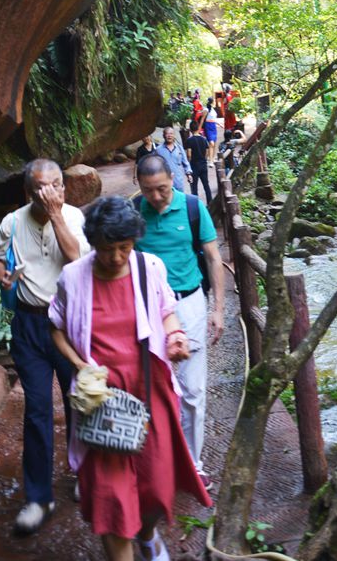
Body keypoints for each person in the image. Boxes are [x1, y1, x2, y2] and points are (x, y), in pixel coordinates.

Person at [49, 196, 212, 561]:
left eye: (125, 247)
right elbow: (56, 328)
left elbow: (167, 311)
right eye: (108, 249)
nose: (117, 257)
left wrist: (175, 336)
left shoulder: (149, 267)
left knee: (156, 488)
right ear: (93, 244)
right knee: (111, 501)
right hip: (102, 402)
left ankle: (149, 534)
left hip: (150, 392)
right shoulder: (73, 277)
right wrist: (80, 364)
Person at [0, 159, 90, 535]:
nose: (46, 194)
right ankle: (38, 497)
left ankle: (84, 474)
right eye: (38, 189)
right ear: (27, 192)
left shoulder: (76, 219)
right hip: (29, 324)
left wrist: (56, 215)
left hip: (69, 323)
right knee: (37, 411)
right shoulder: (12, 222)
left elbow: (76, 258)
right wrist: (4, 277)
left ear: (62, 188)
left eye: (53, 187)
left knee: (79, 401)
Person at [135, 154, 224, 485]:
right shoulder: (132, 211)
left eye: (161, 188)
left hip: (188, 303)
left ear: (172, 178)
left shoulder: (191, 207)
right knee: (149, 388)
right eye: (148, 190)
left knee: (192, 390)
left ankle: (193, 464)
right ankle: (155, 461)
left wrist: (217, 309)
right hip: (146, 310)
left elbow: (214, 258)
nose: (156, 197)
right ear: (138, 186)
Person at [155, 125, 191, 192]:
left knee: (179, 200)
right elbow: (154, 166)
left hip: (178, 181)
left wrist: (188, 174)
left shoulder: (179, 148)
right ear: (163, 136)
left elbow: (185, 162)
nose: (169, 135)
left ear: (174, 135)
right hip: (165, 183)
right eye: (167, 134)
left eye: (171, 133)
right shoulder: (158, 150)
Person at [185, 120, 212, 204]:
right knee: (206, 185)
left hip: (194, 165)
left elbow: (189, 154)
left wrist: (189, 162)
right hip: (203, 164)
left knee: (194, 187)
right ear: (198, 128)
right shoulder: (204, 139)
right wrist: (204, 159)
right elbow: (207, 152)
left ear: (190, 129)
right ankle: (210, 203)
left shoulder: (189, 140)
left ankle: (195, 205)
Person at [201, 98, 219, 165]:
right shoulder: (206, 109)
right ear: (212, 102)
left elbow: (213, 119)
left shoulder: (213, 110)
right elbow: (202, 119)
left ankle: (212, 158)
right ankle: (210, 161)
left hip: (213, 126)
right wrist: (199, 128)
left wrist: (219, 124)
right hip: (208, 126)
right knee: (211, 143)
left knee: (214, 142)